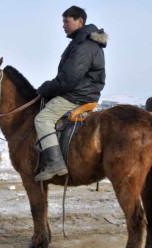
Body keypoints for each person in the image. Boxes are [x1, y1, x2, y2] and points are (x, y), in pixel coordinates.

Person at [34, 5, 107, 181]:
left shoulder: (83, 45)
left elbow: (69, 78)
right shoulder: (83, 41)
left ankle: (55, 164)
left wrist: (45, 88)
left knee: (42, 119)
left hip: (77, 95)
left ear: (80, 21)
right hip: (82, 92)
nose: (63, 25)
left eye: (67, 21)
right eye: (63, 22)